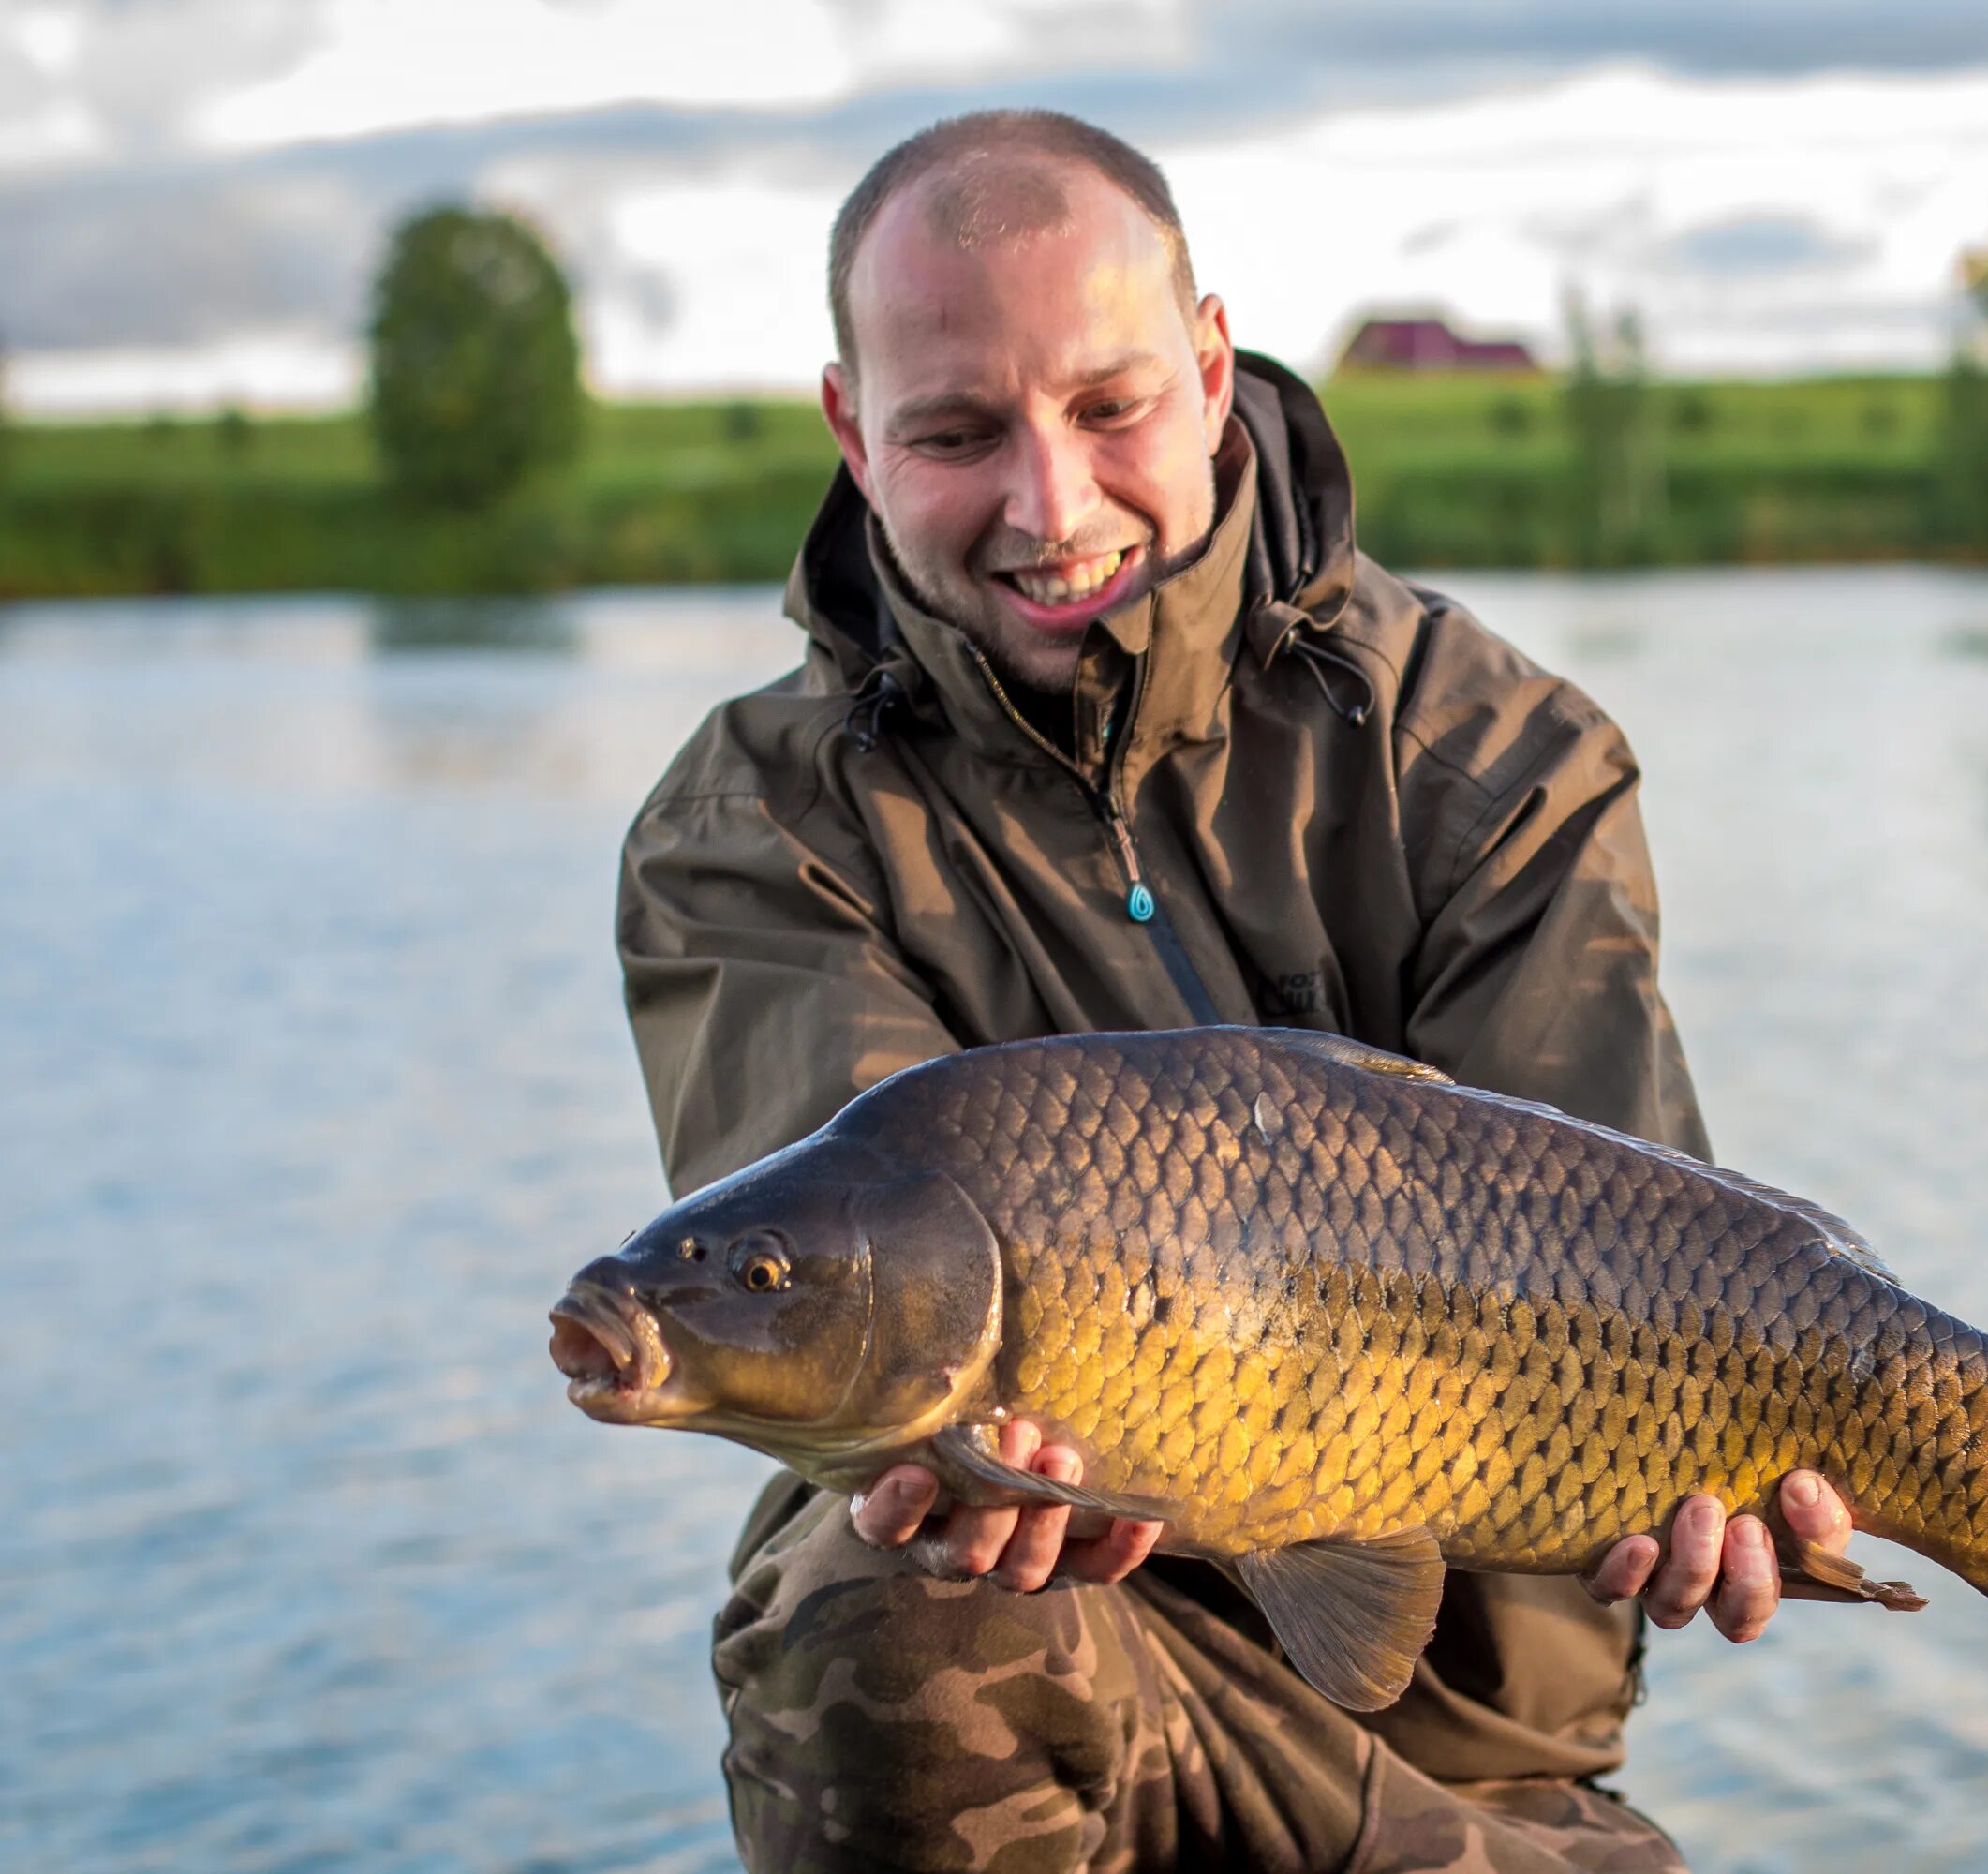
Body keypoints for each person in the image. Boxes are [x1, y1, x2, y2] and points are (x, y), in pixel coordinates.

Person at [616, 108, 1851, 1874]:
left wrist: (1730, 1499)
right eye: (959, 432)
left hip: (1476, 1758)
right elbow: (829, 1280)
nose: (1054, 506)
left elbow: (1642, 1269)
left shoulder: (1492, 758)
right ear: (853, 433)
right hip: (1047, 1670)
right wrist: (984, 1450)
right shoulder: (755, 829)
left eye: (1109, 408)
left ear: (1207, 366)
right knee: (890, 1595)